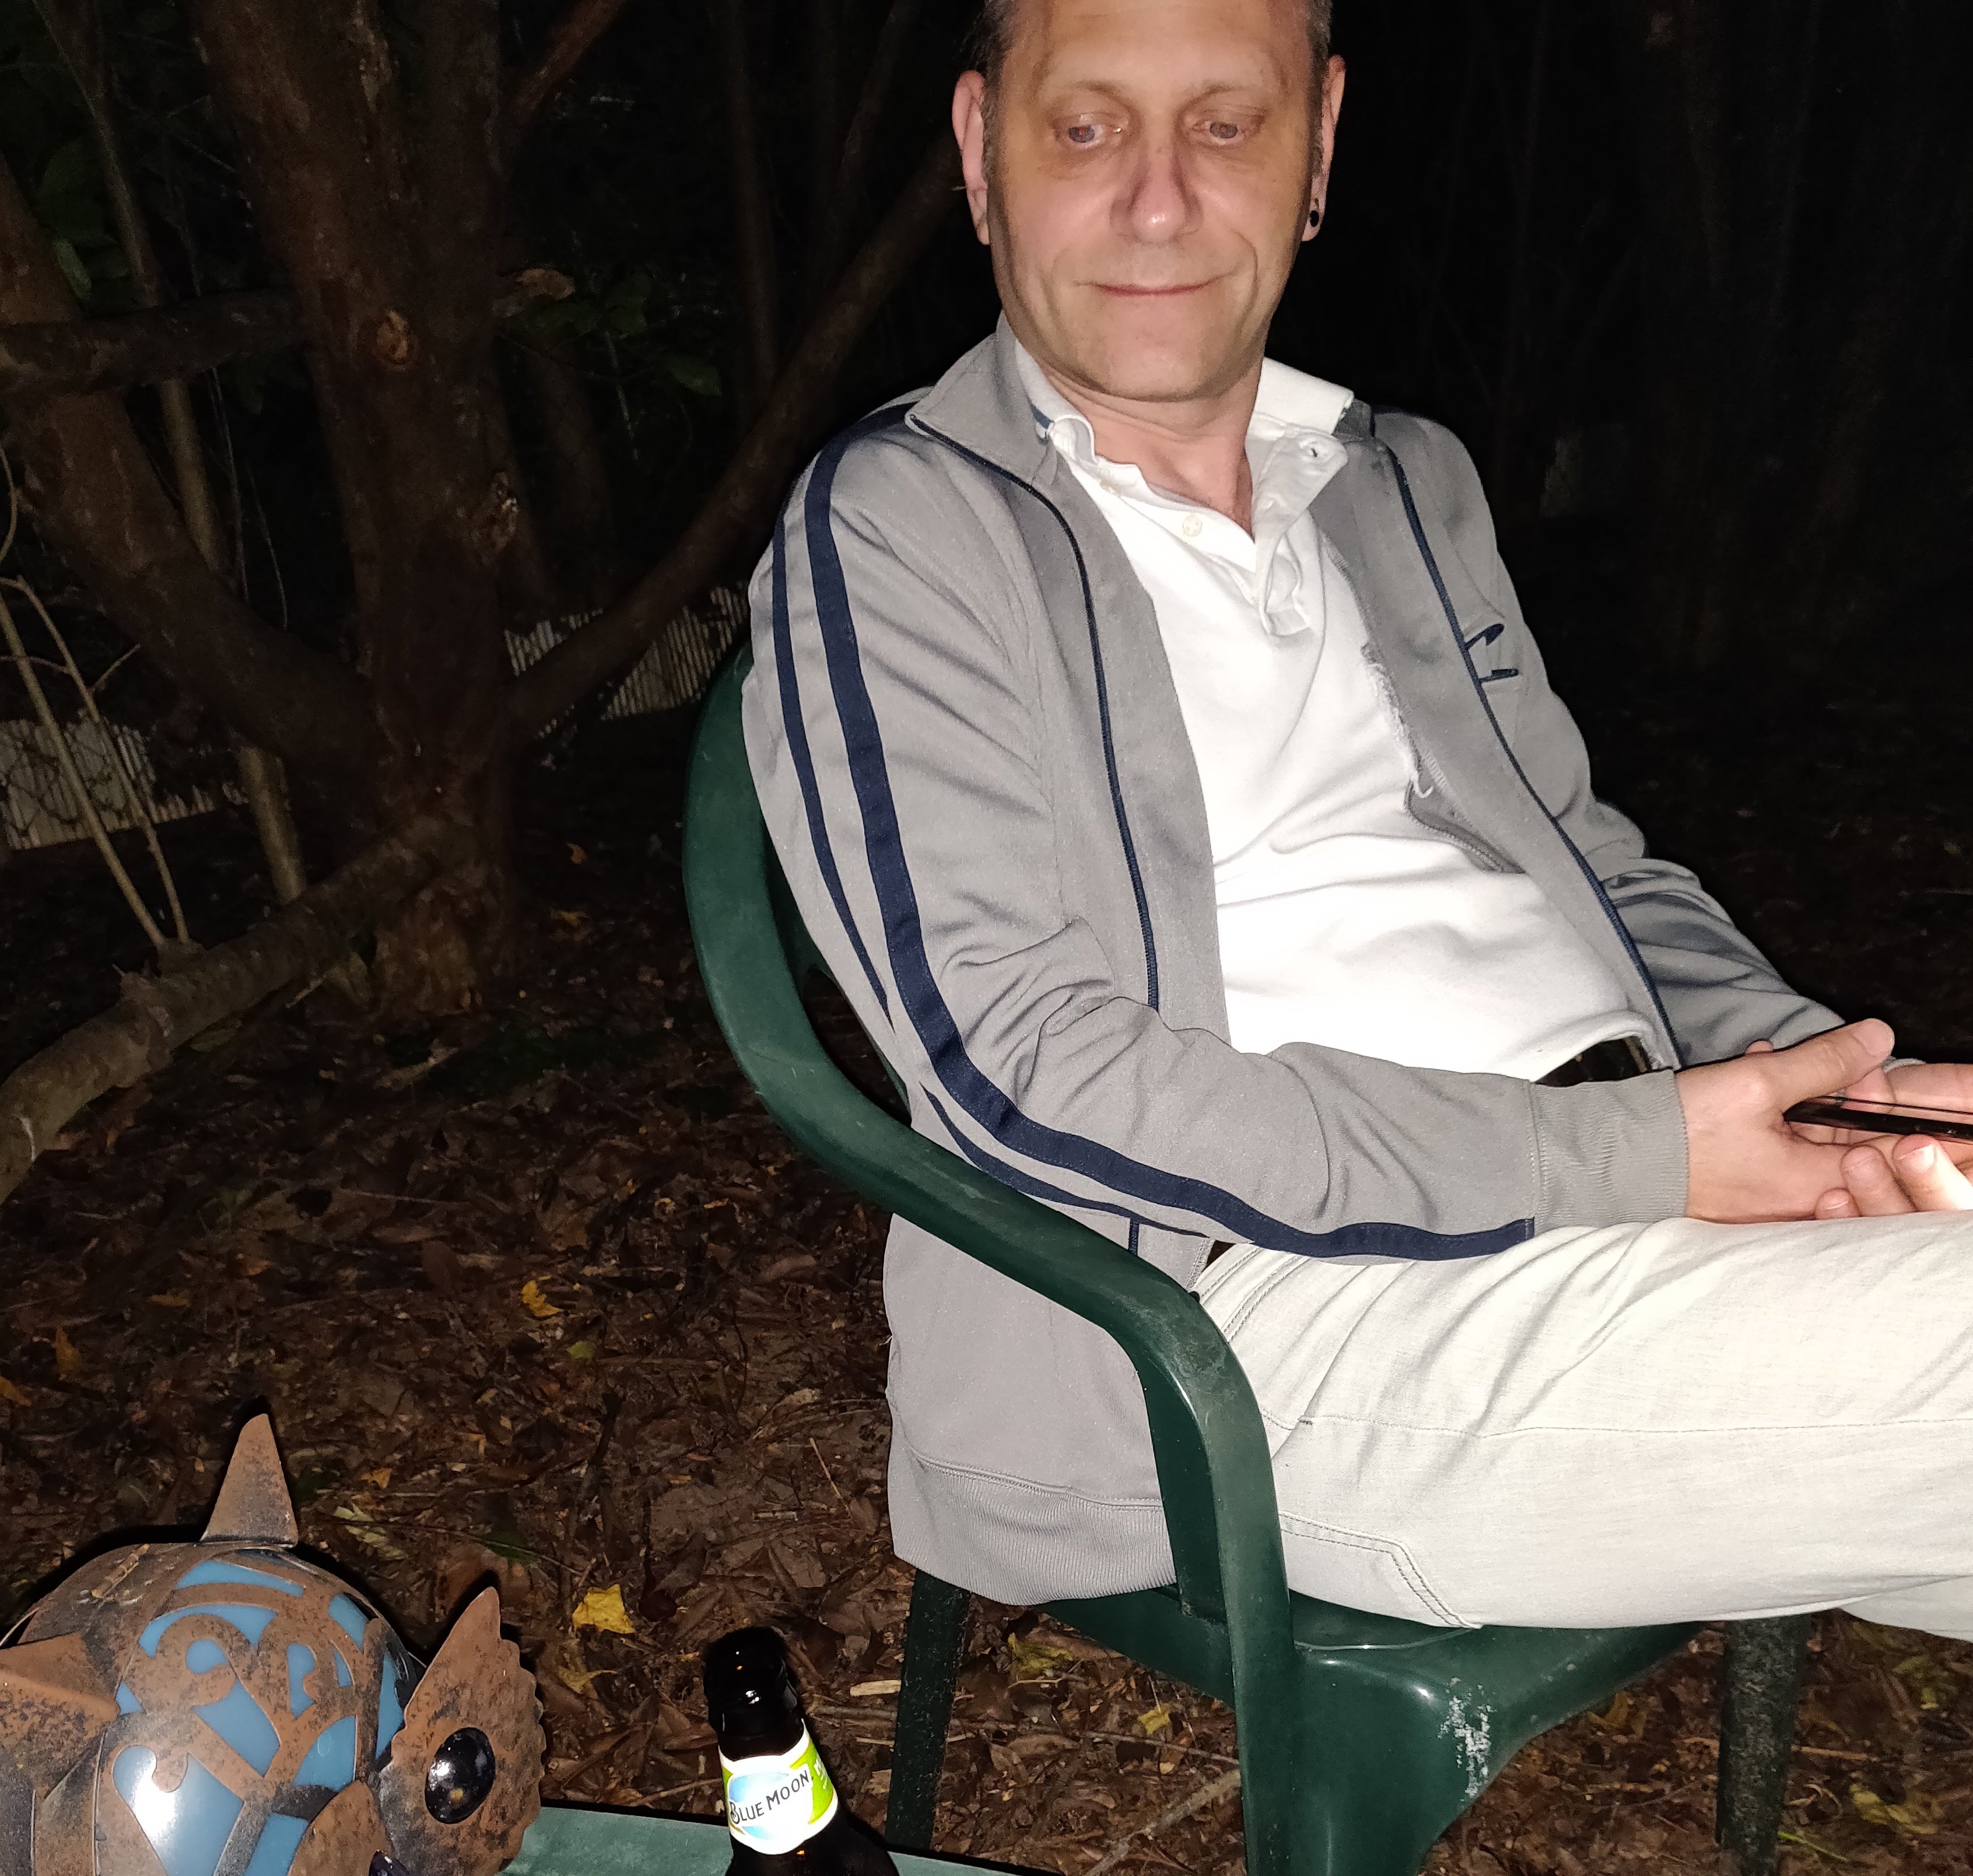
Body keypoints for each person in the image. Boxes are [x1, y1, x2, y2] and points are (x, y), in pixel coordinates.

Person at [744, 0, 1973, 1640]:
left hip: (1642, 1178)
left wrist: (1835, 1094)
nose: (1160, 201)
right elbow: (1017, 1061)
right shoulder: (905, 528)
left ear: (1319, 146)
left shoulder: (1397, 481)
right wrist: (1635, 1155)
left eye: (1227, 125)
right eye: (1088, 128)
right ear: (981, 156)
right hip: (1262, 1309)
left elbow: (1590, 866)